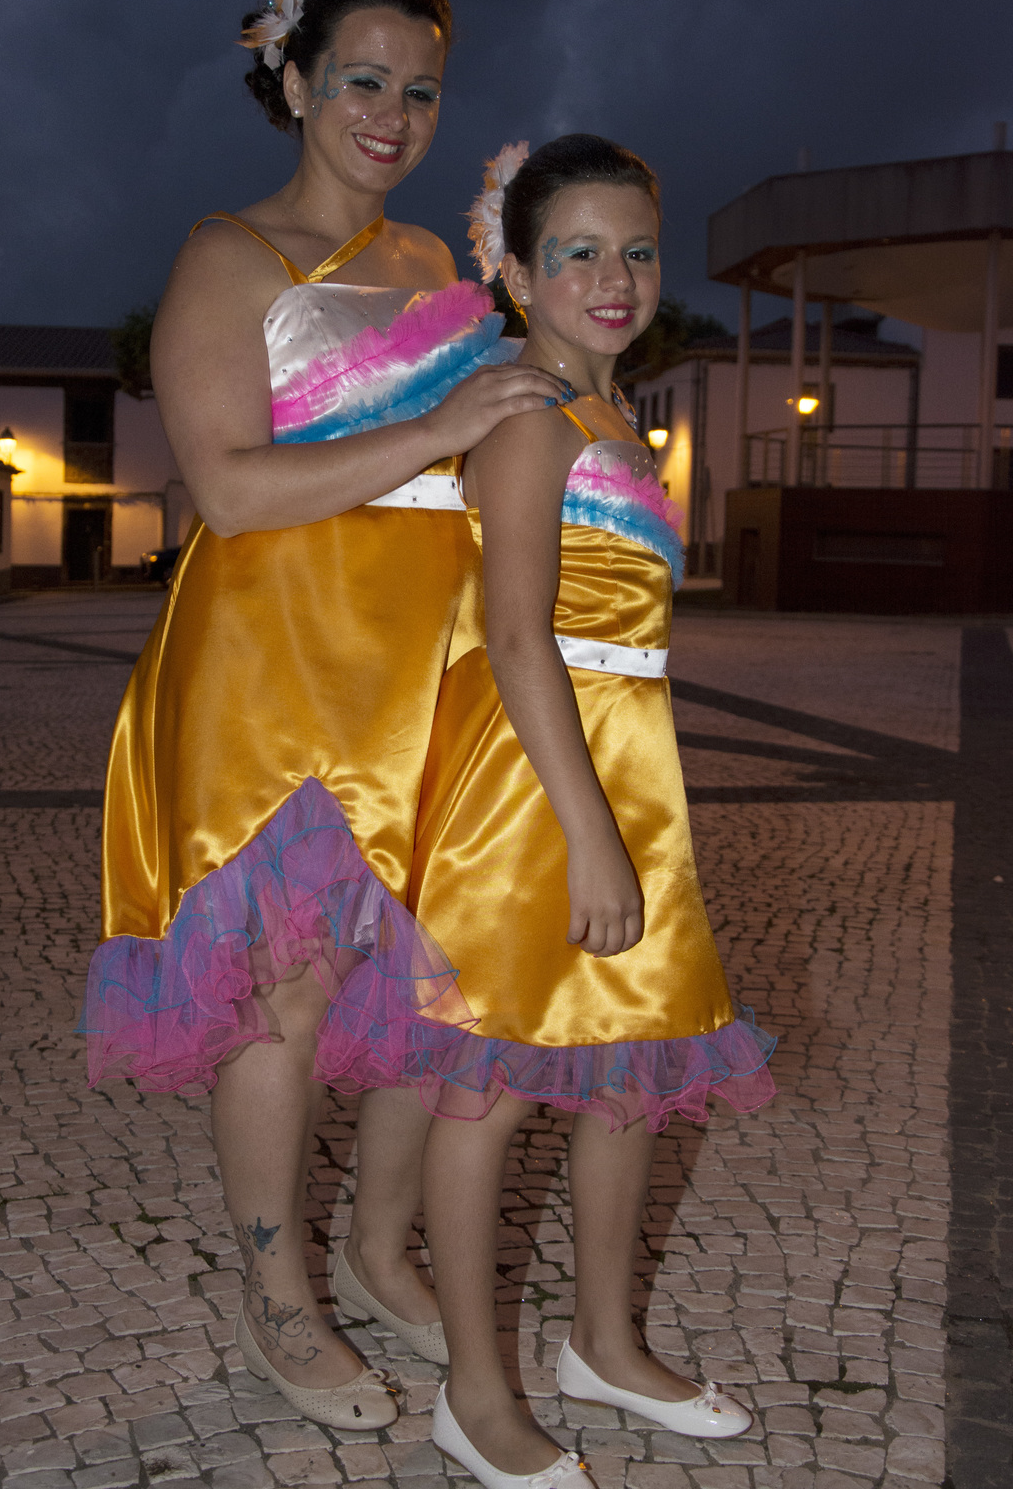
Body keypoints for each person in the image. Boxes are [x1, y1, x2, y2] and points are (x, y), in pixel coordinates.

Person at [80, 0, 563, 1432]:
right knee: (283, 989)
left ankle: (377, 1246)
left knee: (436, 974)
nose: (393, 117)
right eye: (362, 80)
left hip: (420, 669)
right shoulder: (228, 256)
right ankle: (277, 1292)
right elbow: (228, 491)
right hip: (273, 666)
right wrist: (440, 430)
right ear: (292, 82)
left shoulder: (433, 266)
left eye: (421, 91)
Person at [387, 136, 777, 1487]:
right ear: (515, 273)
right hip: (534, 791)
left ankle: (605, 1345)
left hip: (627, 772)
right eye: (579, 253)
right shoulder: (528, 418)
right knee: (489, 1084)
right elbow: (514, 637)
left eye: (638, 251)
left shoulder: (614, 418)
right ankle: (472, 1392)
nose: (616, 278)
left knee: (633, 1066)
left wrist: (632, 813)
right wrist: (592, 833)